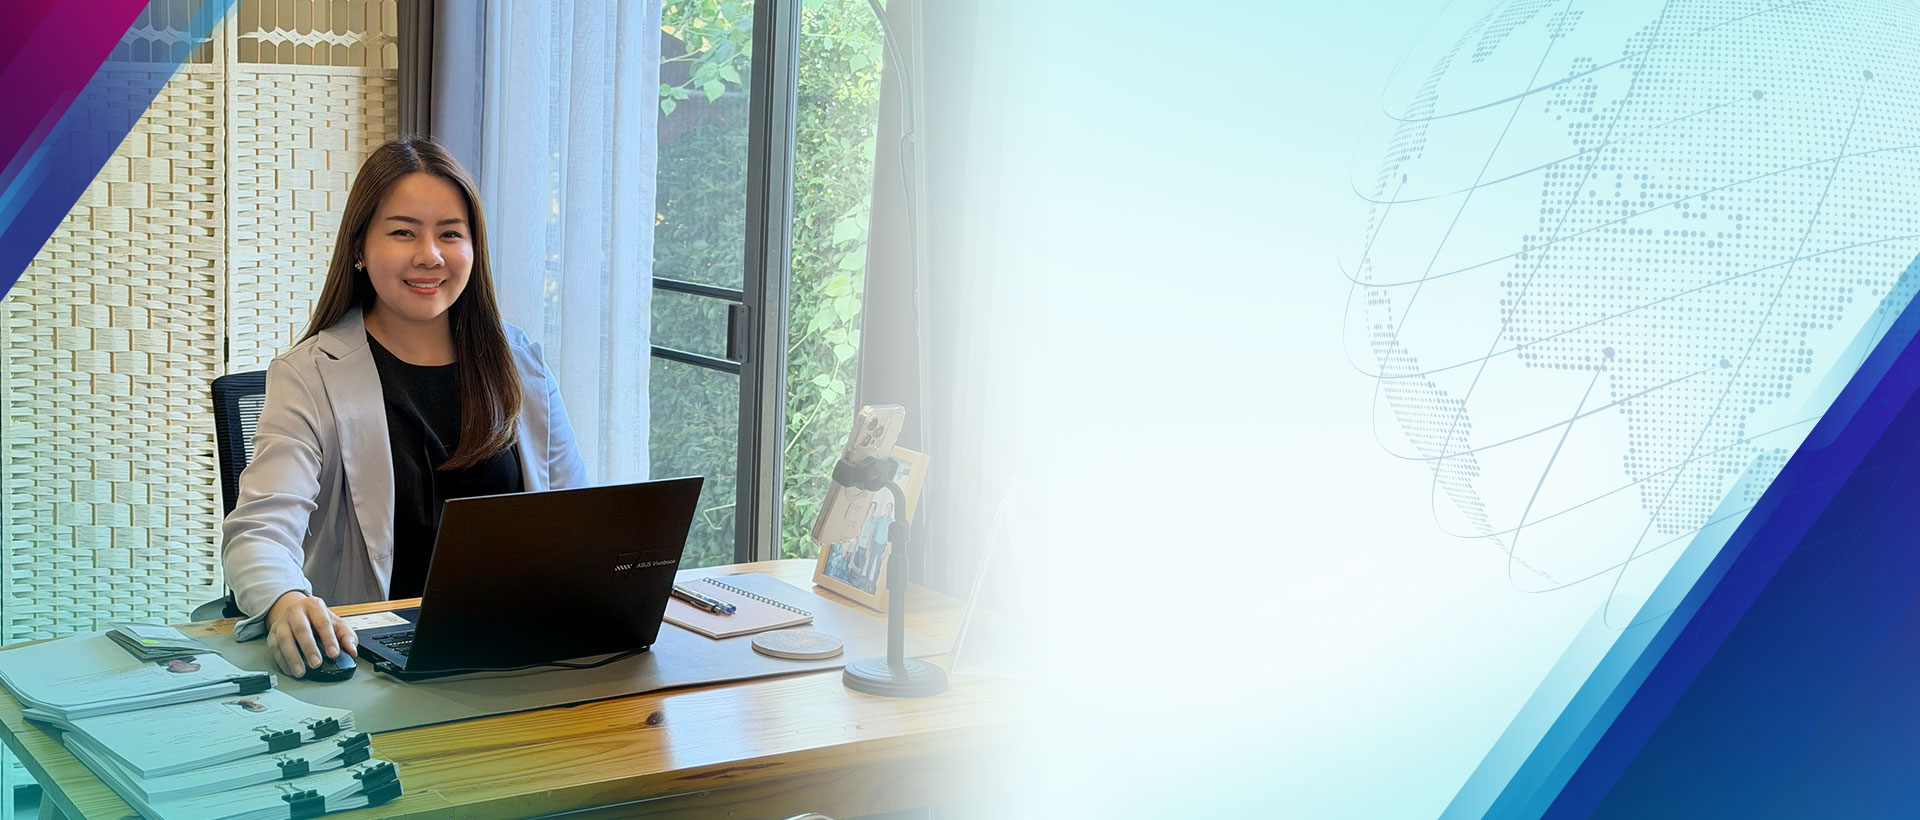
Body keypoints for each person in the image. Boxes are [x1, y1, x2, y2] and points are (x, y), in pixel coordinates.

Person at [221, 137, 587, 679]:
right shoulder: (308, 374)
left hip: (517, 649)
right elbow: (260, 531)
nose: (429, 255)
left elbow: (578, 521)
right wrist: (285, 600)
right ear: (359, 247)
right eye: (403, 232)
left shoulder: (519, 361)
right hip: (373, 660)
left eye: (450, 234)